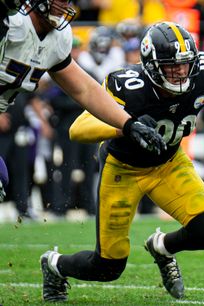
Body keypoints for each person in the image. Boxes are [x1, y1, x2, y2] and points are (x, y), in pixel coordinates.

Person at [38, 22, 204, 302]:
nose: (180, 72)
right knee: (107, 267)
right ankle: (54, 264)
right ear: (151, 65)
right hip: (123, 171)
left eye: (185, 64)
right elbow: (78, 129)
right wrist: (126, 126)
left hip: (169, 164)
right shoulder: (127, 85)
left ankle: (161, 247)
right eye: (171, 66)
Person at [0, 0, 166, 202]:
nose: (63, 4)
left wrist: (129, 123)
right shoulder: (10, 23)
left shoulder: (57, 39)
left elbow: (84, 89)